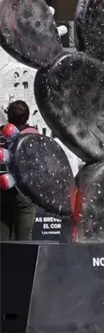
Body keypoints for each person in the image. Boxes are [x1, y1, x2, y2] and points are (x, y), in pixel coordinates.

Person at [0, 101, 39, 240]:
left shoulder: (0, 133)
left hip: (2, 190)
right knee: (23, 240)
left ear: (8, 116)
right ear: (26, 117)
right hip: (23, 192)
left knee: (2, 239)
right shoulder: (33, 135)